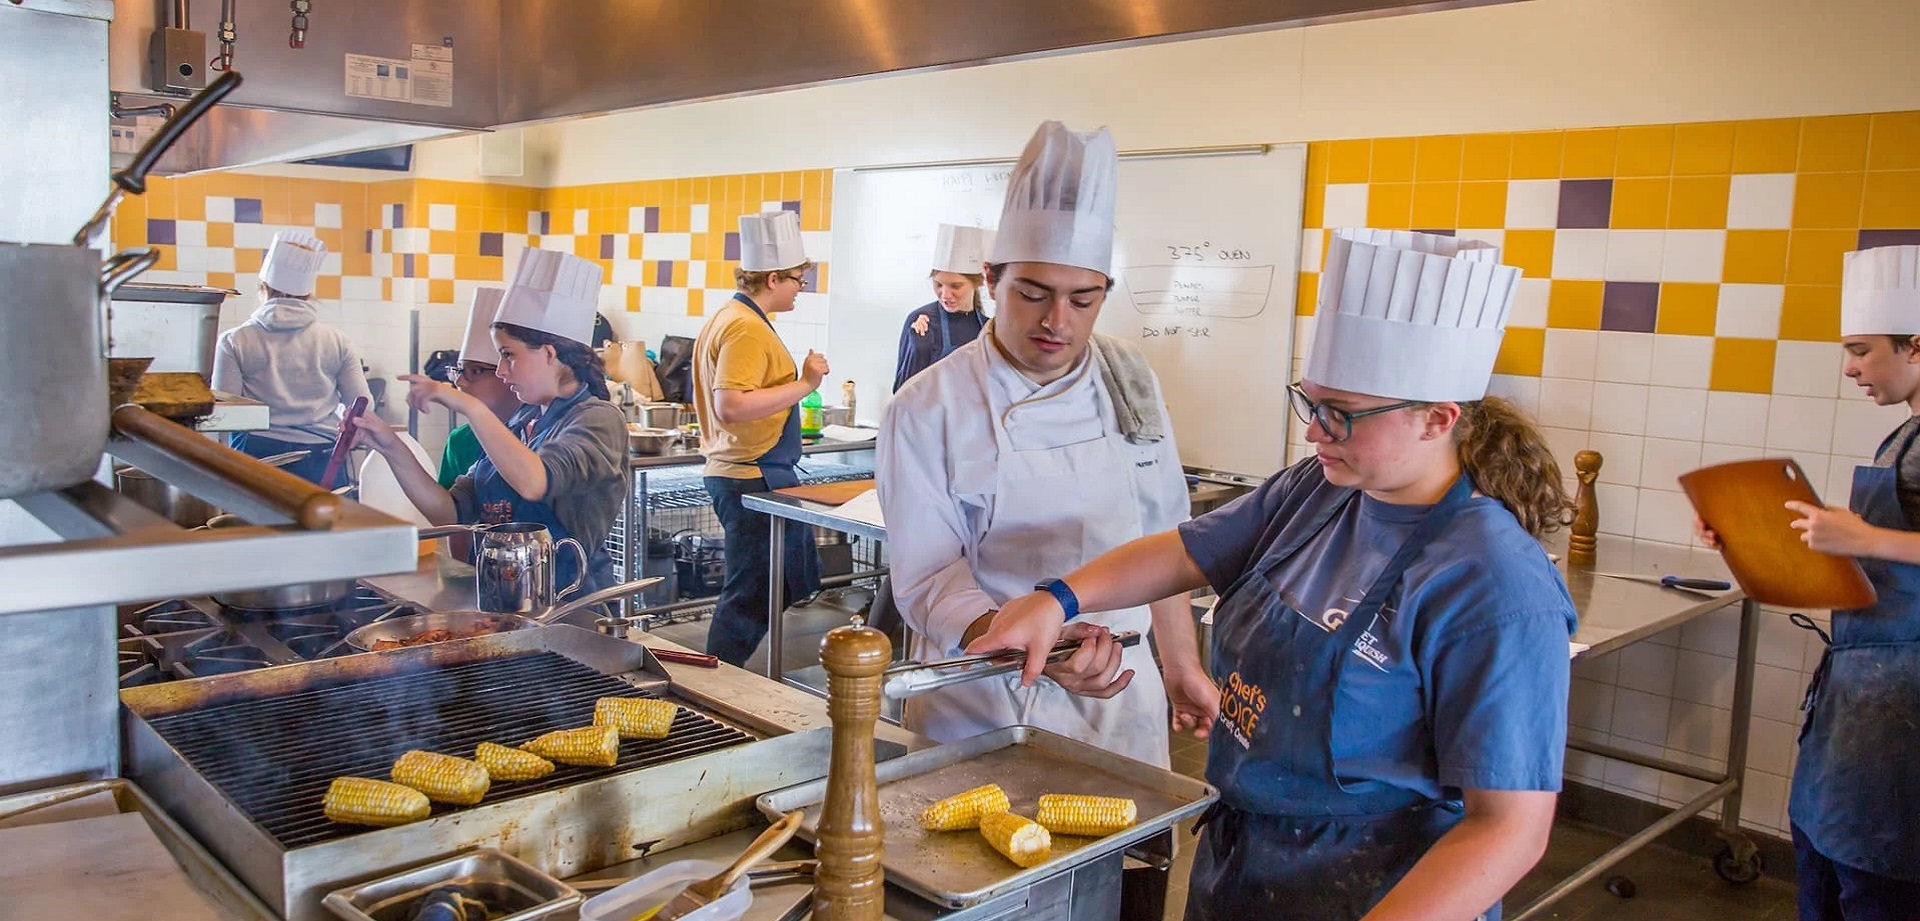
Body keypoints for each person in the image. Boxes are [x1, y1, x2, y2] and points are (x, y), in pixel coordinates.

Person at [975, 229, 1577, 921]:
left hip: (1381, 888)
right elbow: (1184, 552)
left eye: (1341, 414)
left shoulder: (1494, 584)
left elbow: (1509, 829)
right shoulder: (1319, 489)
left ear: (1437, 419)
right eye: (1310, 403)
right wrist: (1059, 598)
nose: (1315, 431)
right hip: (1244, 866)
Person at [876, 122, 1209, 768]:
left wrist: (1181, 664)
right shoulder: (927, 406)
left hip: (1121, 693)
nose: (1058, 321)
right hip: (983, 698)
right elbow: (930, 578)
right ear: (991, 278)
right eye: (1033, 294)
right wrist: (1036, 644)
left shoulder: (1129, 377)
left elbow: (1165, 534)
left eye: (1084, 300)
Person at [1697, 244, 1920, 920]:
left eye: (1861, 350)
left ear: (1916, 346)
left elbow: (1876, 545)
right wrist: (1756, 536)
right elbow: (1876, 562)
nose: (1850, 367)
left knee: (1877, 876)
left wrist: (1866, 538)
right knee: (1826, 862)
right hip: (1862, 688)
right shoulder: (1905, 436)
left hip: (1905, 702)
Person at [350, 249, 627, 597]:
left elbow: (534, 482)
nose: (502, 371)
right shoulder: (522, 424)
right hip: (503, 599)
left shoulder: (598, 419)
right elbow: (448, 513)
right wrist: (391, 447)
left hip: (569, 603)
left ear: (549, 353)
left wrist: (469, 406)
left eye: (508, 355)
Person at [692, 210, 826, 667]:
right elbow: (731, 404)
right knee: (749, 595)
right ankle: (716, 679)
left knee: (775, 582)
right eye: (797, 280)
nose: (800, 289)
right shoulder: (746, 327)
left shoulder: (733, 316)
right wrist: (806, 384)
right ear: (773, 278)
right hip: (747, 475)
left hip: (753, 471)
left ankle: (723, 673)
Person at [211, 230, 372, 484]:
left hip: (257, 456)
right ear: (308, 294)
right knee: (322, 513)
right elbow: (363, 406)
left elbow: (225, 414)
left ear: (263, 287)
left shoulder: (235, 341)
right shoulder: (337, 341)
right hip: (321, 458)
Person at [437, 287, 525, 488]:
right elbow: (446, 504)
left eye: (476, 370)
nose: (460, 382)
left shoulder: (541, 435)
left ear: (509, 373)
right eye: (459, 370)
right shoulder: (461, 440)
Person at [893, 223, 994, 392]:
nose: (945, 295)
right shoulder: (920, 321)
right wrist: (917, 352)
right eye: (938, 284)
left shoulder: (988, 329)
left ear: (977, 283)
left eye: (956, 286)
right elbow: (900, 394)